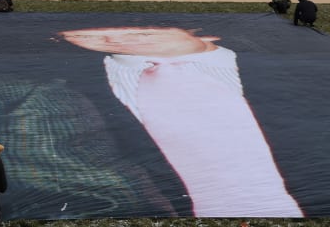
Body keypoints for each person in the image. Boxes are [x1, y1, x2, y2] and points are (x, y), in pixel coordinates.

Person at [58, 26, 303, 217]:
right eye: (86, 37)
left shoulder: (286, 70)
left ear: (207, 35)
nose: (114, 40)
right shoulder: (66, 87)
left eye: (143, 33)